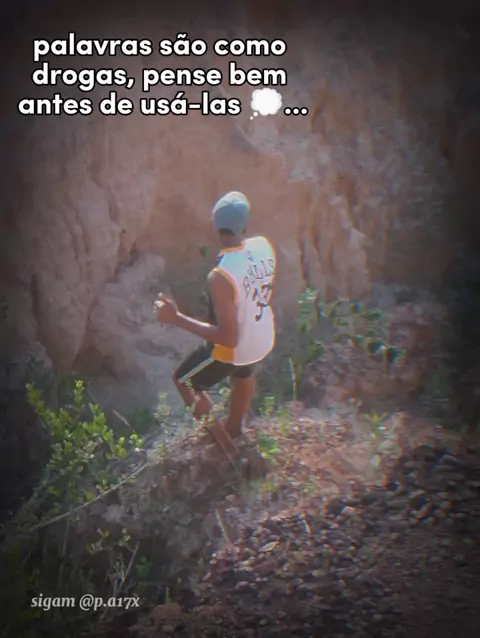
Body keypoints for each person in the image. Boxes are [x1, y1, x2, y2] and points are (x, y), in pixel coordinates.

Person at [154, 191, 277, 460]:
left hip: (236, 346)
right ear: (245, 225)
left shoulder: (220, 276)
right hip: (262, 335)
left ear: (213, 225)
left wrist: (175, 318)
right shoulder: (263, 246)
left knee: (184, 381)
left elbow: (228, 338)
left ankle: (226, 448)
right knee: (244, 371)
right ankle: (235, 427)